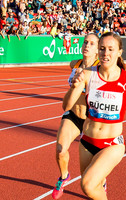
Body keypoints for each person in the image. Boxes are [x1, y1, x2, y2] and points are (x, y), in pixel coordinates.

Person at [64, 32, 126, 199]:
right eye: (102, 49)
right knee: (94, 189)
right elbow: (66, 106)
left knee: (87, 184)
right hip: (87, 141)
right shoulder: (87, 74)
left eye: (110, 49)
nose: (105, 53)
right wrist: (74, 86)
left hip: (112, 144)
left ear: (120, 52)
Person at [52, 33, 100, 200]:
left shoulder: (100, 68)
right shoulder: (75, 63)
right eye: (85, 42)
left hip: (91, 119)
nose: (87, 45)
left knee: (94, 159)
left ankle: (101, 181)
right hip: (73, 115)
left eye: (92, 44)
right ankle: (64, 176)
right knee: (60, 149)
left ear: (97, 50)